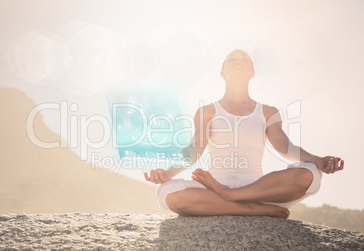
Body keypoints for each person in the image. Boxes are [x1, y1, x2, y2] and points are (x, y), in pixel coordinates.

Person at [144, 49, 344, 218]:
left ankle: (233, 197)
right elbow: (195, 148)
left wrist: (317, 160)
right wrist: (168, 174)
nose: (237, 61)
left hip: (258, 189)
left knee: (311, 173)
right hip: (214, 189)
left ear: (252, 72)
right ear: (222, 72)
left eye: (243, 60)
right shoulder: (208, 111)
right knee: (167, 191)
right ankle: (248, 209)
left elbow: (285, 147)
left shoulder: (268, 112)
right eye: (232, 59)